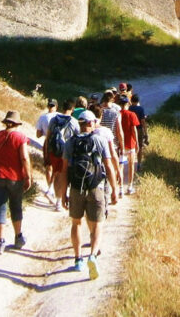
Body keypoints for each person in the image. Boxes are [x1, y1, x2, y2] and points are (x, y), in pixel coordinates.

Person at [60, 111, 118, 280]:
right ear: (92, 123)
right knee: (98, 223)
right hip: (96, 187)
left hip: (76, 188)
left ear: (79, 124)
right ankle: (92, 255)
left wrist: (63, 193)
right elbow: (108, 166)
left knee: (76, 223)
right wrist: (114, 189)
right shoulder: (100, 140)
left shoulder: (70, 142)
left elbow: (64, 170)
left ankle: (78, 259)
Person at [0, 110, 33, 255]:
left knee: (0, 208)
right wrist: (28, 176)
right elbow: (24, 158)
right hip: (15, 178)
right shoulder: (20, 137)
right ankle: (18, 237)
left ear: (5, 123)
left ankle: (0, 242)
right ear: (17, 124)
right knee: (16, 206)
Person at [44, 99, 80, 212]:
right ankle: (59, 201)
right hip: (66, 152)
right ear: (72, 109)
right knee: (63, 175)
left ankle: (54, 194)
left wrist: (46, 153)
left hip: (53, 151)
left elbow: (48, 137)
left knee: (56, 172)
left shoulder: (54, 119)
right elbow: (78, 138)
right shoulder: (74, 122)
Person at [91, 105, 120, 201]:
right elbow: (113, 154)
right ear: (101, 116)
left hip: (88, 170)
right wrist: (118, 170)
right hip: (103, 170)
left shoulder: (83, 131)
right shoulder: (106, 132)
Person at [100, 91, 124, 196]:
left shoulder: (99, 112)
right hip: (112, 145)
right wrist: (122, 146)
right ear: (112, 100)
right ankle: (112, 189)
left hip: (99, 144)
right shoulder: (116, 113)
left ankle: (102, 190)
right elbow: (119, 131)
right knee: (113, 169)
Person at [36, 99, 58, 202]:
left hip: (48, 142)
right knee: (57, 167)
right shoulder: (60, 116)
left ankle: (50, 189)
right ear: (56, 106)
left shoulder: (43, 117)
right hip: (59, 142)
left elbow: (38, 134)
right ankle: (55, 189)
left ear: (48, 106)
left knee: (48, 167)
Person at [118, 95, 140, 194]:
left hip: (120, 144)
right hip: (130, 143)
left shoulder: (117, 114)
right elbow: (134, 130)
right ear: (128, 104)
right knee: (131, 165)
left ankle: (120, 188)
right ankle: (130, 186)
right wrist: (137, 143)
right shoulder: (132, 114)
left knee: (120, 166)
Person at [129, 93, 149, 171]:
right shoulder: (141, 109)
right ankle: (139, 164)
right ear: (138, 101)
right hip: (139, 129)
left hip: (130, 129)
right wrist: (146, 132)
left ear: (131, 100)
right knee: (140, 146)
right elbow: (143, 121)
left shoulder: (130, 108)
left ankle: (131, 163)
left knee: (132, 146)